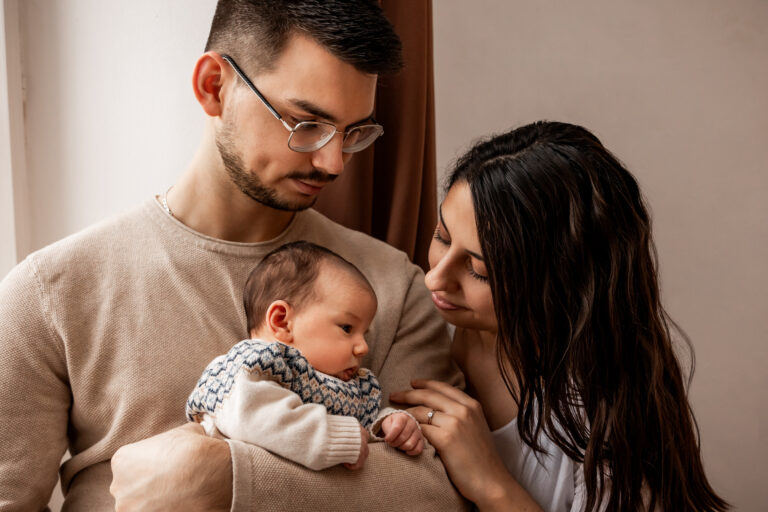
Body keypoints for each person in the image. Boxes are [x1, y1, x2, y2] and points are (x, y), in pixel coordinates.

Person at [0, 1, 465, 510]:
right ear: (213, 86)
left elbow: (439, 491)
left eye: (353, 133)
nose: (333, 163)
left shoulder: (392, 285)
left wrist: (229, 479)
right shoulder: (50, 292)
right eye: (307, 123)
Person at [391, 121, 730, 511]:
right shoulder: (418, 315)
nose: (434, 277)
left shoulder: (599, 421)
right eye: (442, 236)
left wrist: (491, 485)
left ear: (557, 282)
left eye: (479, 270)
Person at [186, 241, 424, 471]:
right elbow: (249, 415)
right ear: (282, 322)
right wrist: (337, 438)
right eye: (347, 328)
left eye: (365, 335)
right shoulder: (256, 362)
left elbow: (357, 425)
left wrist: (388, 425)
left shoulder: (340, 385)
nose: (363, 348)